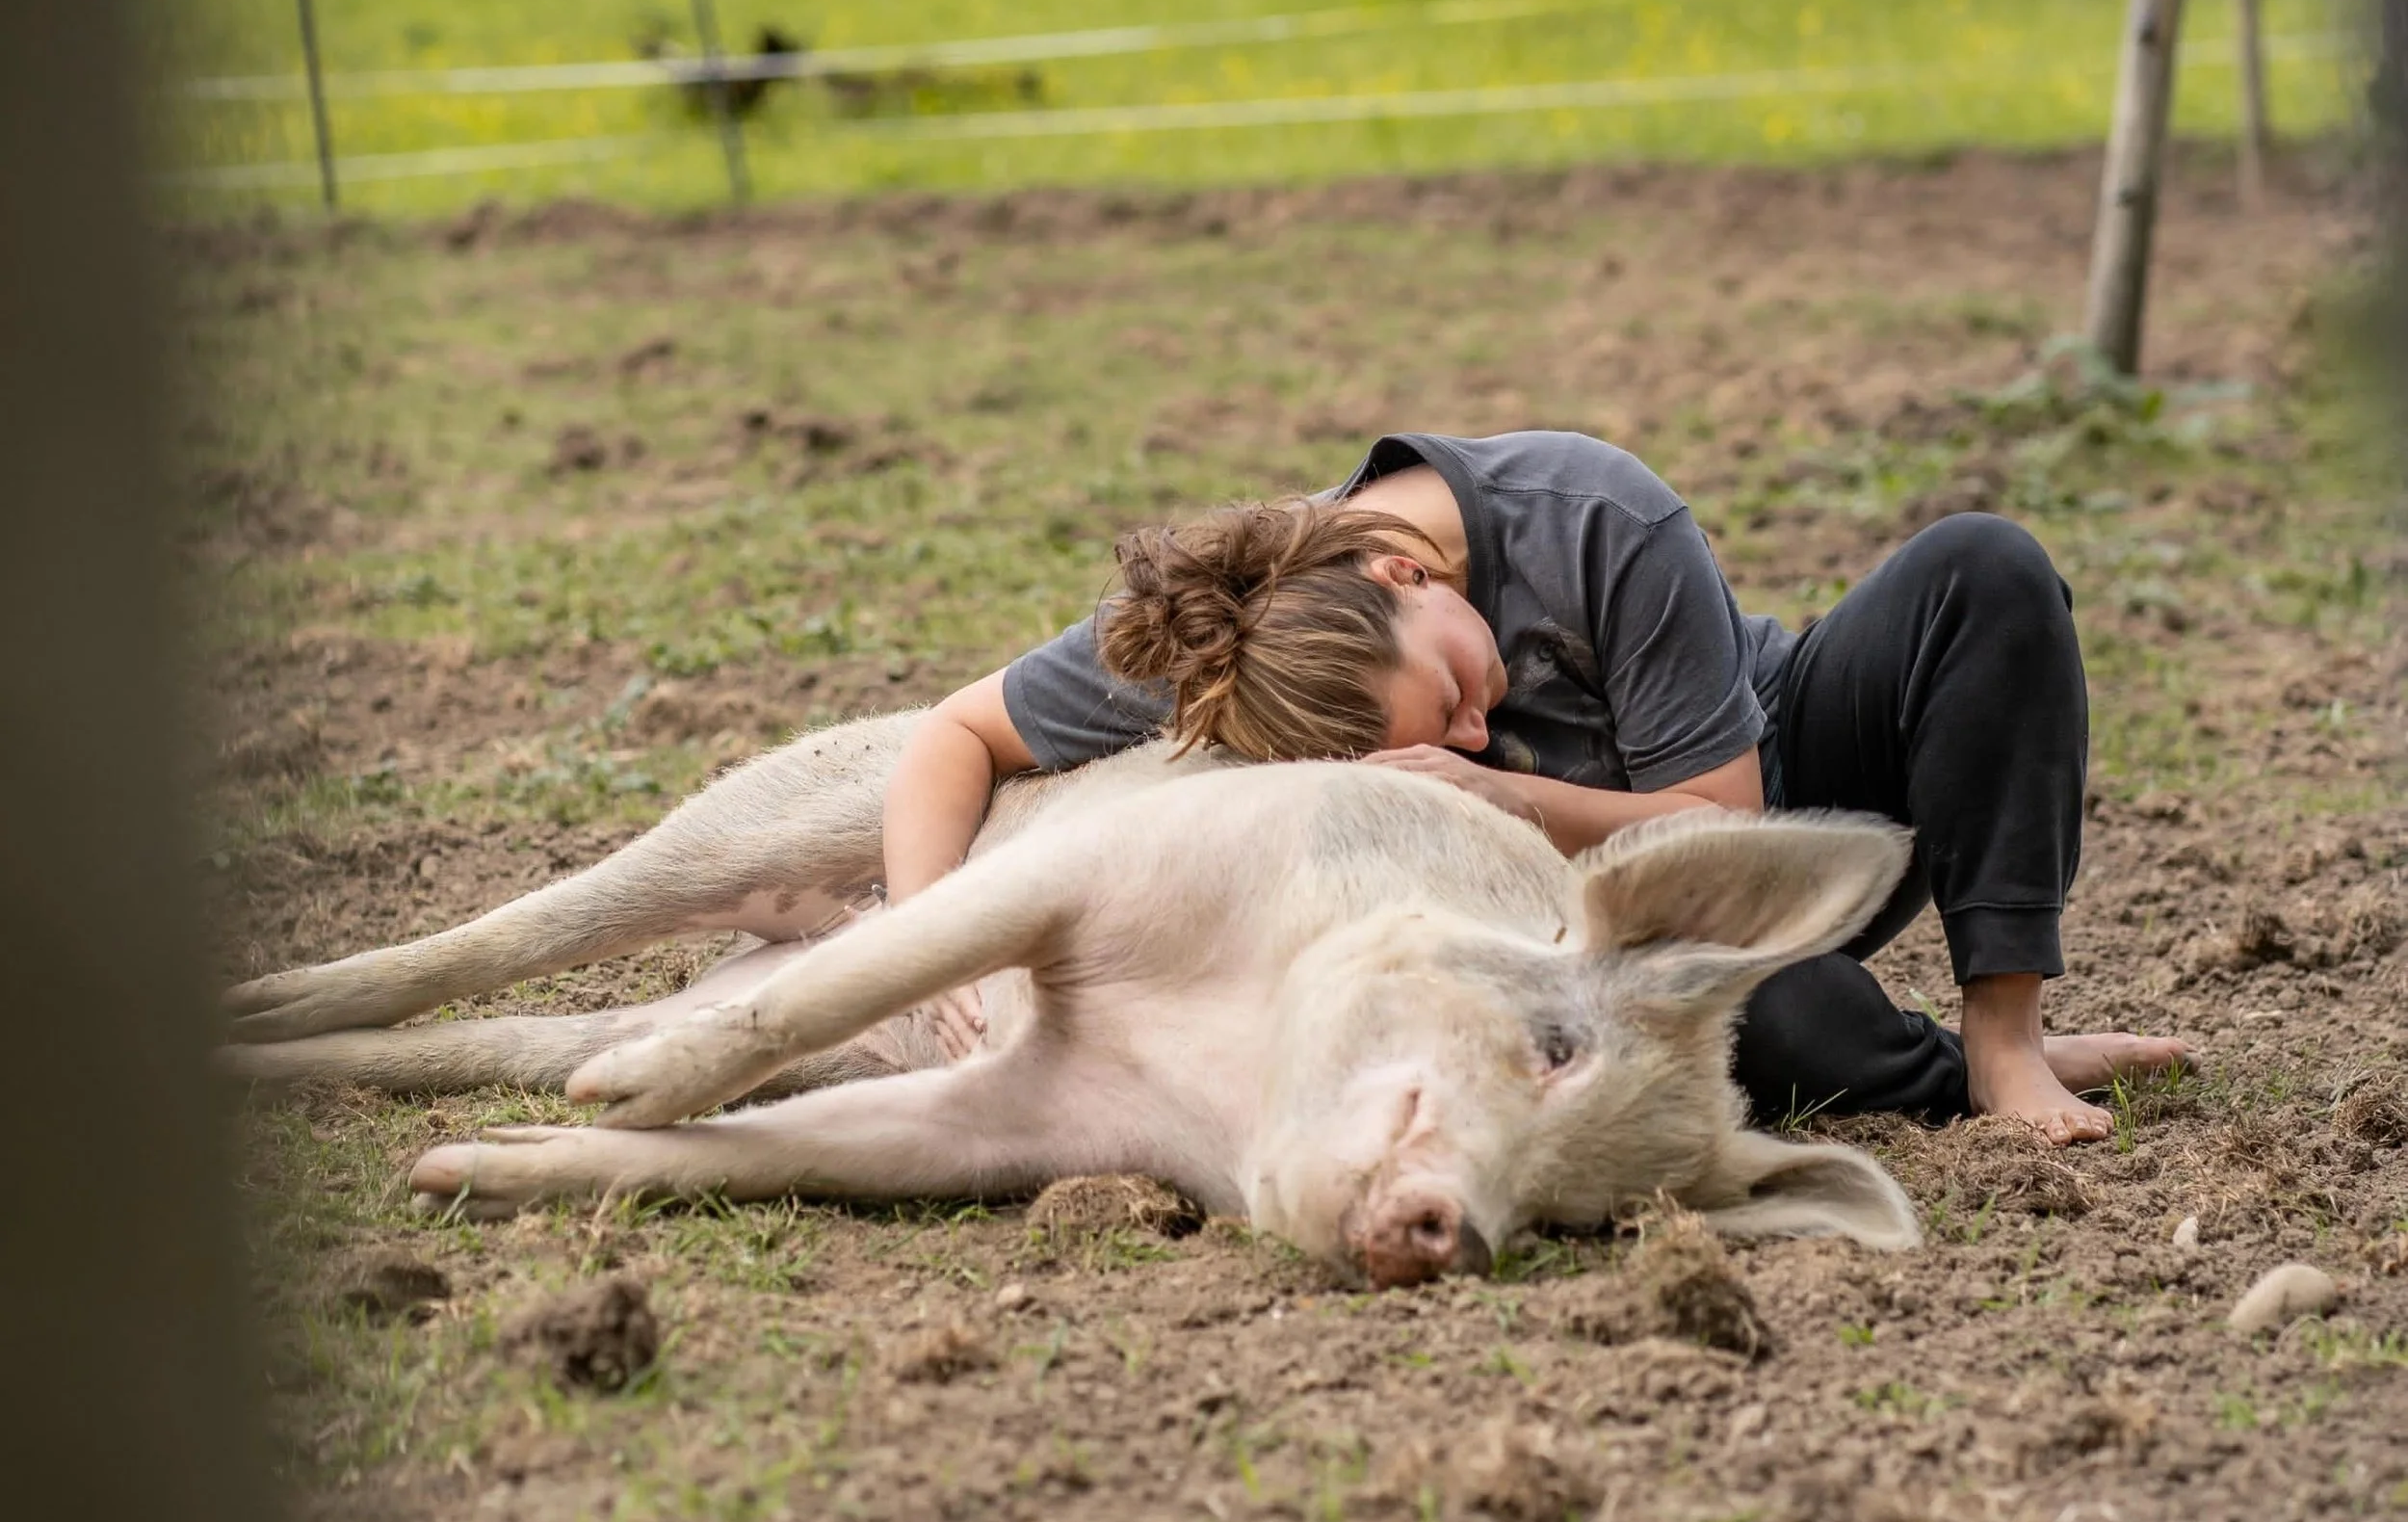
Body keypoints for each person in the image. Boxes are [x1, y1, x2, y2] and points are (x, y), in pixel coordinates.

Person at [879, 428, 2186, 1143]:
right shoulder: (1234, 633)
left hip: (1772, 792)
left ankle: (2007, 1041)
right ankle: (1932, 1070)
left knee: (1985, 566)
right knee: (1730, 1015)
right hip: (1592, 936)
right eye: (1440, 728)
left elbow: (1726, 834)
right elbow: (953, 739)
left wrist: (1501, 792)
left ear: (1406, 575)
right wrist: (929, 949)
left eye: (1452, 689)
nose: (1470, 721)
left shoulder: (1595, 513)